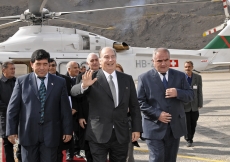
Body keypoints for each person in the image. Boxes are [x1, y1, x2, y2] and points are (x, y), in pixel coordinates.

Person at [71, 47, 142, 162]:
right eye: (106, 57)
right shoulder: (91, 77)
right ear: (99, 60)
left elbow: (134, 106)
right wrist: (84, 86)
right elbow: (74, 91)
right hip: (98, 134)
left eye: (112, 56)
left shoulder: (127, 79)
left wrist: (137, 129)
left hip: (121, 133)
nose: (110, 60)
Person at [6, 49, 73, 162]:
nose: (42, 67)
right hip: (28, 133)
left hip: (51, 133)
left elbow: (65, 109)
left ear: (48, 65)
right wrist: (11, 131)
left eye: (45, 64)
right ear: (32, 64)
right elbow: (13, 108)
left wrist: (67, 130)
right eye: (38, 64)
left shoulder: (59, 82)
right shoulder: (22, 82)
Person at [137, 48, 194, 162]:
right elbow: (139, 102)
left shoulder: (180, 76)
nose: (163, 63)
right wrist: (157, 114)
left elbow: (191, 95)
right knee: (157, 158)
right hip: (153, 127)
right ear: (153, 61)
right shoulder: (144, 78)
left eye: (166, 60)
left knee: (170, 159)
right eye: (159, 61)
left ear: (170, 60)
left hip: (174, 128)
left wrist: (178, 93)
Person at [76, 53, 100, 162]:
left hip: (104, 117)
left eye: (96, 60)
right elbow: (77, 97)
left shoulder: (105, 75)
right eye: (92, 60)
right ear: (87, 63)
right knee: (88, 146)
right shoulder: (80, 76)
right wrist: (80, 116)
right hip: (87, 117)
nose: (94, 62)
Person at [48, 59, 73, 162]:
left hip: (61, 116)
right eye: (49, 65)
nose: (51, 68)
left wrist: (72, 108)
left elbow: (70, 95)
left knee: (59, 146)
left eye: (53, 65)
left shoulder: (64, 79)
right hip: (48, 118)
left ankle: (69, 154)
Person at [116, 63, 139, 162]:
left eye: (119, 72)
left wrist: (136, 129)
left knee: (128, 154)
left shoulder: (128, 85)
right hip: (110, 127)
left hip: (126, 124)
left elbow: (135, 106)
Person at [184, 61, 203, 147]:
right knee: (186, 123)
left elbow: (199, 91)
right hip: (185, 105)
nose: (187, 68)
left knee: (193, 123)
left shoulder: (198, 77)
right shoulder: (181, 77)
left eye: (189, 66)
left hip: (194, 105)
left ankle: (191, 136)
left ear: (192, 67)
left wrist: (200, 103)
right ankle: (189, 139)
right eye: (186, 67)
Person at [0, 61, 17, 162]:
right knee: (8, 145)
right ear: (3, 70)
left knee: (20, 144)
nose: (13, 71)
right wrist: (11, 108)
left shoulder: (18, 82)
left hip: (19, 119)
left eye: (14, 69)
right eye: (11, 69)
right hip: (5, 119)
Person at [65, 61, 82, 160]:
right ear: (69, 69)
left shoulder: (81, 79)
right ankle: (69, 153)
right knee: (68, 133)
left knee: (78, 133)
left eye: (77, 67)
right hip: (67, 111)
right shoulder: (63, 80)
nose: (77, 69)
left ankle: (77, 151)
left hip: (78, 111)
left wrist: (76, 108)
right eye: (74, 68)